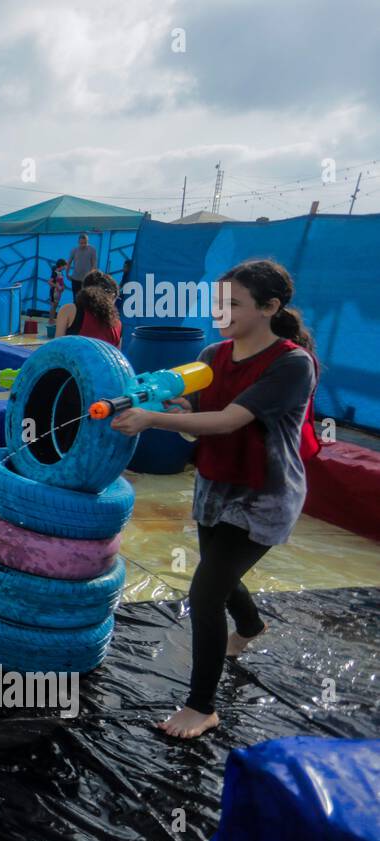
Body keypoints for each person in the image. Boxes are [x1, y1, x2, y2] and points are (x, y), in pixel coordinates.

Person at [109, 260, 320, 740]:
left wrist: (151, 419)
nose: (221, 311)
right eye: (218, 302)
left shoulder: (291, 363)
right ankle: (250, 626)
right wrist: (177, 409)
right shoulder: (211, 354)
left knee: (205, 591)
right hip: (215, 487)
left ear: (270, 308)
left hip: (263, 496)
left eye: (234, 304)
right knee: (219, 575)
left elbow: (228, 421)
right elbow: (201, 426)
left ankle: (201, 707)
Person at [55, 269, 122, 347]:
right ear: (112, 295)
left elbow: (56, 349)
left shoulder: (68, 310)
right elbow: (117, 357)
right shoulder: (118, 324)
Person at [67, 233, 98, 298]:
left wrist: (91, 276)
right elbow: (69, 263)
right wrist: (67, 274)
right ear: (78, 242)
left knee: (86, 298)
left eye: (85, 243)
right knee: (76, 298)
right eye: (81, 243)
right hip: (75, 278)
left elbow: (94, 264)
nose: (83, 245)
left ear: (87, 241)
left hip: (86, 280)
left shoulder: (92, 250)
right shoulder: (74, 250)